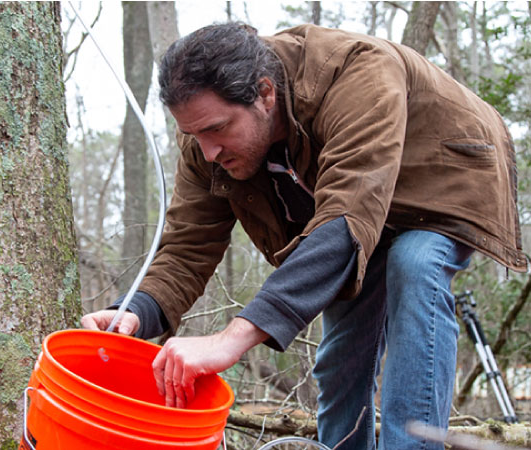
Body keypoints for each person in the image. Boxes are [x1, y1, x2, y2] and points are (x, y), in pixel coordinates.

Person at [81, 23, 525, 450]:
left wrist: (232, 338)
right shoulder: (206, 141)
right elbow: (186, 246)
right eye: (193, 134)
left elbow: (347, 213)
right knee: (341, 356)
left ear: (265, 93)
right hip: (352, 210)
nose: (208, 151)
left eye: (216, 129)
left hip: (442, 175)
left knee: (415, 262)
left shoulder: (355, 72)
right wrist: (134, 312)